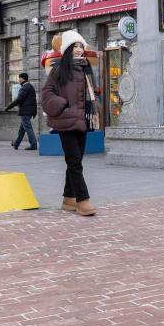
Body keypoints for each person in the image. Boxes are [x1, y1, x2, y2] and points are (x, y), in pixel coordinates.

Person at [40, 29, 98, 217]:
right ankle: (83, 200)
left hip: (83, 121)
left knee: (76, 160)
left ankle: (68, 199)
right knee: (74, 162)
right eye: (75, 46)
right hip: (66, 121)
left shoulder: (86, 68)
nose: (79, 50)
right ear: (67, 49)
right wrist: (62, 105)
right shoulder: (59, 69)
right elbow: (46, 94)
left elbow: (91, 92)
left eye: (81, 46)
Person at [5, 72, 38, 150]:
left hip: (26, 111)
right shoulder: (29, 86)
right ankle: (16, 144)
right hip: (28, 110)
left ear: (22, 78)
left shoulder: (25, 87)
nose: (19, 80)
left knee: (28, 128)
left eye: (19, 78)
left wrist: (9, 107)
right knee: (22, 129)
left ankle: (33, 144)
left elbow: (19, 99)